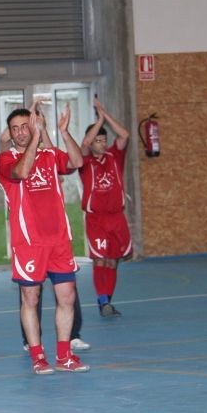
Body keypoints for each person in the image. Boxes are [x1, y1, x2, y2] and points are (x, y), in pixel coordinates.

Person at [0, 105, 90, 375]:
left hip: (59, 241)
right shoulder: (5, 160)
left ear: (34, 126)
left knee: (67, 297)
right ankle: (38, 357)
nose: (20, 132)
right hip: (29, 243)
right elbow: (23, 172)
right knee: (31, 299)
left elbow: (77, 162)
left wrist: (62, 131)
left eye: (25, 126)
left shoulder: (50, 155)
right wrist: (37, 138)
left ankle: (64, 356)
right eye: (15, 129)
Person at [79, 96, 132, 317]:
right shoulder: (84, 161)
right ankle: (102, 300)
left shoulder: (114, 156)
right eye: (97, 140)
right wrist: (98, 122)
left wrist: (105, 114)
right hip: (97, 219)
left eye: (103, 140)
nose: (101, 143)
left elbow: (125, 135)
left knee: (113, 260)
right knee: (99, 258)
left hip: (116, 217)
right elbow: (83, 145)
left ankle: (107, 301)